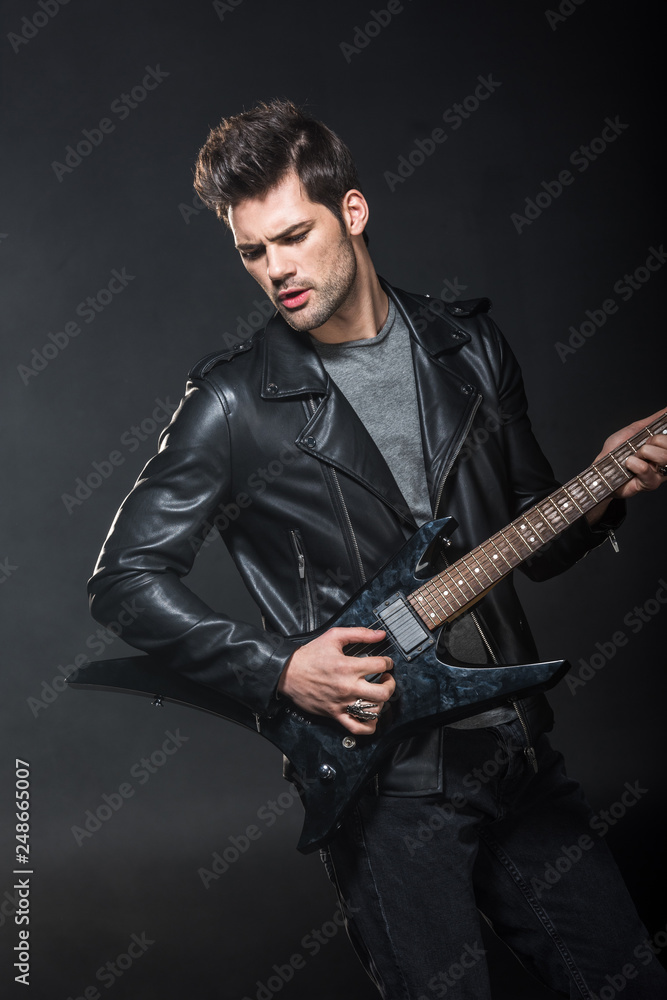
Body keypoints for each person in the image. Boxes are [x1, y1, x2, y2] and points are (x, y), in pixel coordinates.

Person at [88, 99, 667, 998]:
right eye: (252, 252)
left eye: (292, 236)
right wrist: (280, 669)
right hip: (386, 787)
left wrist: (602, 490)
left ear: (351, 213)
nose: (275, 270)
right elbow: (124, 580)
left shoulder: (466, 346)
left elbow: (531, 538)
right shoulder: (234, 403)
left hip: (512, 750)